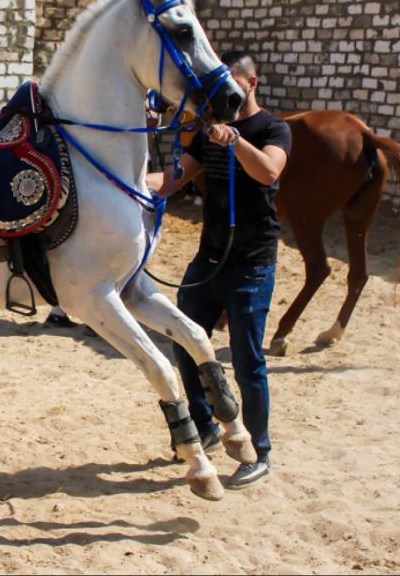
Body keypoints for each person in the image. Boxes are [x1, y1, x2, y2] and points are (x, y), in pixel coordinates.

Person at [153, 51, 291, 489]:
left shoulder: (273, 128)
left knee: (249, 362)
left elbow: (268, 172)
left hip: (251, 262)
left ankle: (260, 451)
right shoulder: (208, 131)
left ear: (252, 83)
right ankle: (206, 426)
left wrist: (234, 141)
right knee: (185, 342)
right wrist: (128, 183)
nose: (225, 93)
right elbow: (175, 178)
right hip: (209, 258)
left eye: (234, 82)